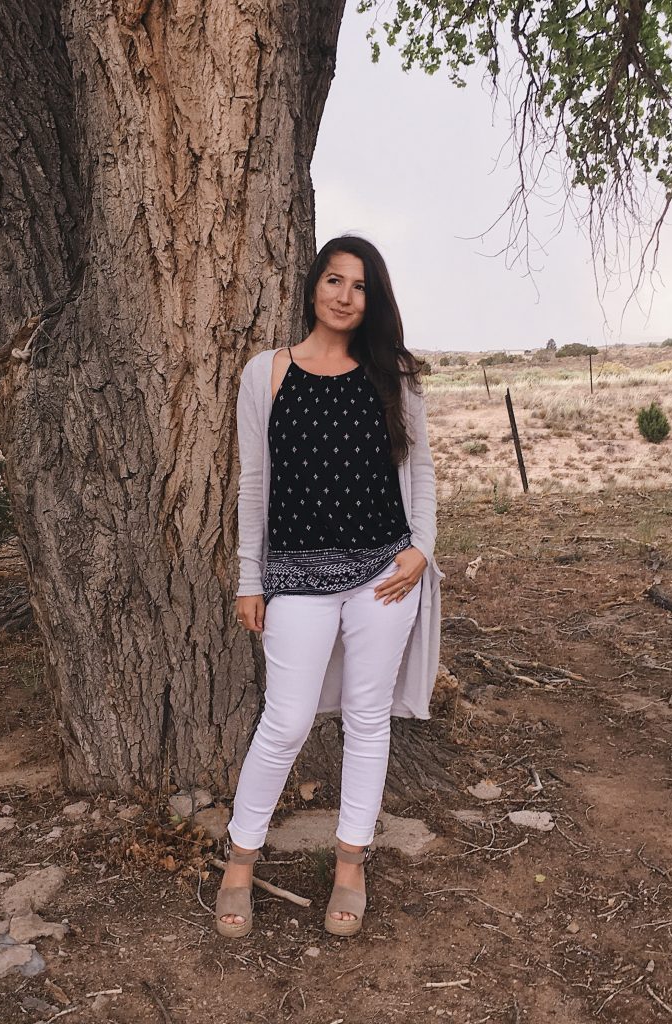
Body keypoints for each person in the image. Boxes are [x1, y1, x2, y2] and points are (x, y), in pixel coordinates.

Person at [216, 235, 443, 939]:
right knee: (284, 721)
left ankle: (350, 862)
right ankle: (238, 863)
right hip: (295, 579)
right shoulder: (268, 373)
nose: (345, 295)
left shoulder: (392, 376)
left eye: (361, 285)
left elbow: (424, 472)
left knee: (367, 720)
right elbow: (255, 484)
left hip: (382, 574)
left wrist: (421, 553)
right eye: (335, 280)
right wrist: (250, 581)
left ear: (373, 301)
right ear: (314, 286)